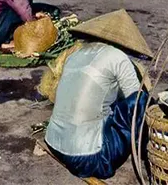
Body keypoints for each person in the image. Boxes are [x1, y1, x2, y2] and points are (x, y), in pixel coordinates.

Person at [45, 9, 153, 180]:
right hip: (89, 159)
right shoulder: (117, 57)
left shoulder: (75, 55)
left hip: (52, 141)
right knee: (140, 101)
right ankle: (149, 146)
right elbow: (136, 101)